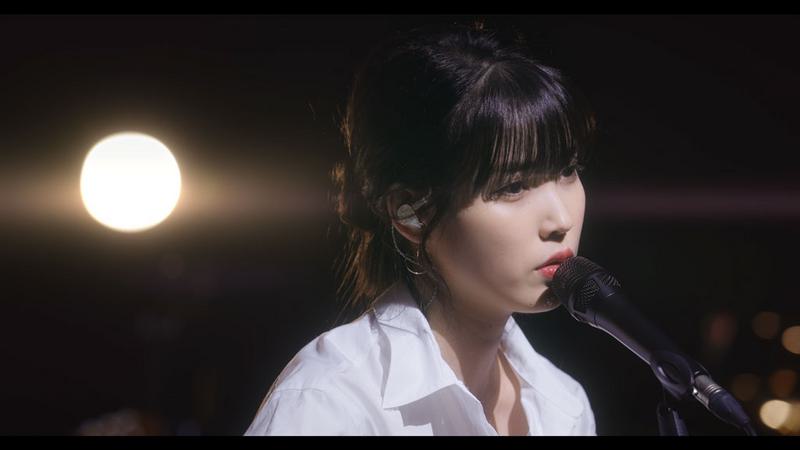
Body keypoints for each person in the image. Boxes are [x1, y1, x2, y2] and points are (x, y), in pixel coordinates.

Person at [245, 19, 598, 436]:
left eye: (567, 170)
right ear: (412, 213)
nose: (561, 220)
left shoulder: (563, 406)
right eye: (513, 187)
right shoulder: (329, 405)